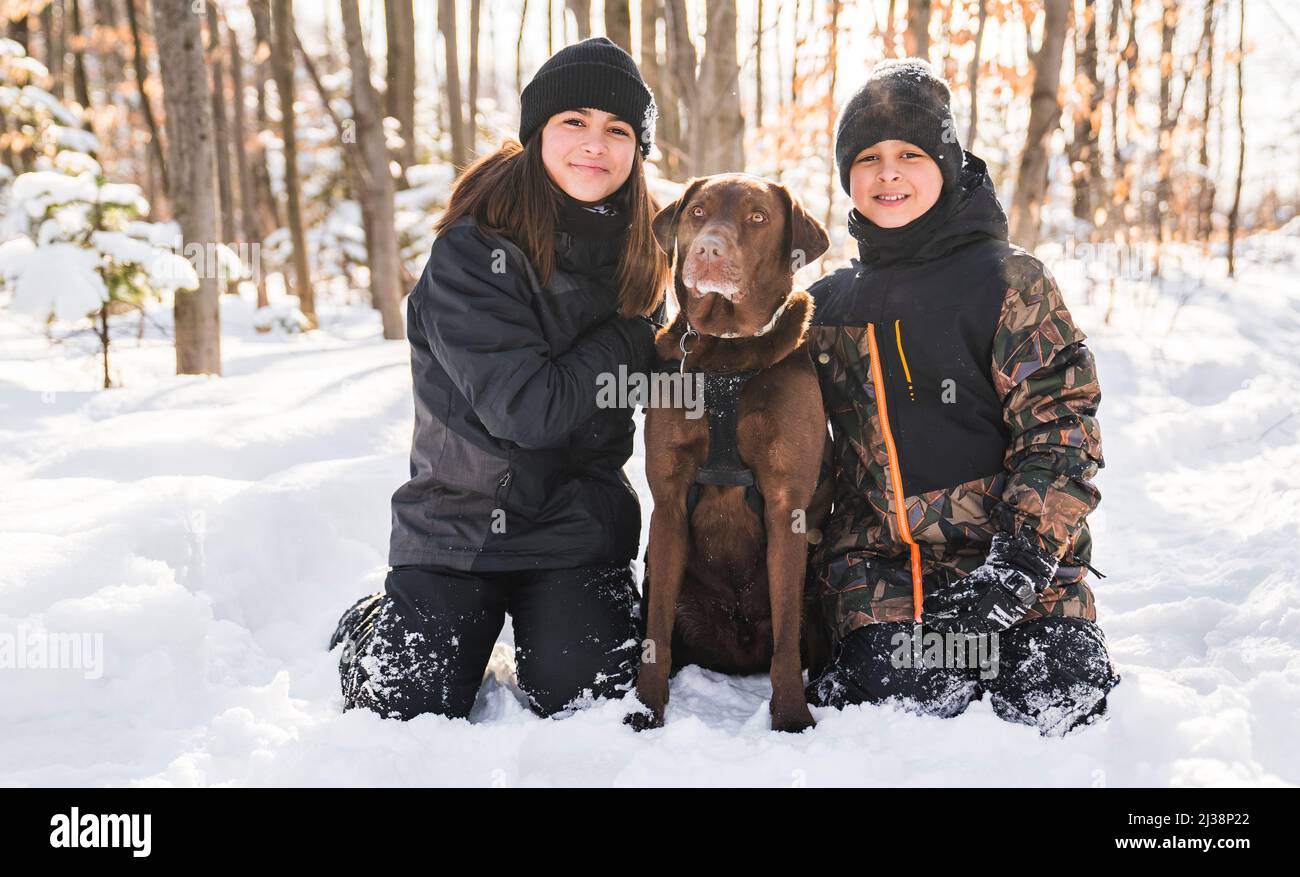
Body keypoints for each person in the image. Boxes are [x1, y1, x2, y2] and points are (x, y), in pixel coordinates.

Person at [330, 37, 669, 721]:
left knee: (589, 699)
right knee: (411, 701)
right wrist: (633, 334)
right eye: (573, 121)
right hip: (457, 527)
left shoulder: (644, 252)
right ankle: (373, 619)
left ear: (637, 149)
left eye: (618, 129)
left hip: (576, 529)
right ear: (538, 131)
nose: (594, 144)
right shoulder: (472, 251)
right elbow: (528, 409)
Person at [803, 58, 1121, 736]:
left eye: (910, 154)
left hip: (1021, 572)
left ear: (946, 163)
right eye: (868, 158)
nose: (888, 172)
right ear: (847, 178)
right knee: (900, 706)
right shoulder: (827, 307)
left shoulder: (1008, 282)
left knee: (1057, 693)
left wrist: (1016, 571)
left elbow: (1062, 432)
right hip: (888, 578)